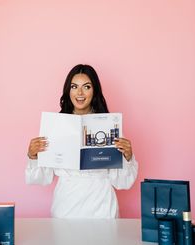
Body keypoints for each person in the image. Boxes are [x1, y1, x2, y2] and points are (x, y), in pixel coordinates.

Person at [25, 64, 138, 218]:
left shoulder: (109, 125)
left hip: (102, 208)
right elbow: (42, 178)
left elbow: (123, 183)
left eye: (86, 87)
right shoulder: (55, 125)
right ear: (68, 90)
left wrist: (128, 157)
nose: (79, 92)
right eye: (74, 86)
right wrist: (33, 156)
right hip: (65, 208)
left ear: (95, 90)